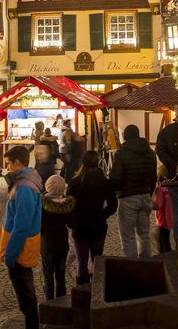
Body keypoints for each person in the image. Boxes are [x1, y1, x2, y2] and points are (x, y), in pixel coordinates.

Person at [0, 145, 42, 329]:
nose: (6, 167)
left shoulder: (24, 188)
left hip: (21, 252)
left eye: (8, 162)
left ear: (16, 163)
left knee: (28, 305)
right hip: (21, 250)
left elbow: (21, 225)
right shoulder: (24, 183)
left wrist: (11, 254)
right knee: (28, 303)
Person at [67, 150, 116, 285]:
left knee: (82, 261)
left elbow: (68, 205)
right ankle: (97, 288)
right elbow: (113, 204)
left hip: (80, 226)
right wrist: (103, 215)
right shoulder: (104, 182)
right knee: (97, 260)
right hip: (98, 225)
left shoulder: (74, 182)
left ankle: (82, 292)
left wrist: (71, 222)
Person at [110, 125, 157, 258]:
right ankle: (146, 263)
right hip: (145, 195)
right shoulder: (150, 153)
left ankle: (132, 266)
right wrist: (149, 192)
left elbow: (116, 178)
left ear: (125, 136)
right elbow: (154, 176)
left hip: (128, 197)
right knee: (144, 234)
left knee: (128, 235)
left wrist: (116, 192)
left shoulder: (121, 153)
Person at [40, 174, 75, 300]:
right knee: (61, 274)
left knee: (48, 274)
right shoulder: (66, 203)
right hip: (61, 241)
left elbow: (38, 225)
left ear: (47, 186)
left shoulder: (41, 203)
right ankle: (62, 302)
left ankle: (48, 303)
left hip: (46, 242)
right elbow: (71, 224)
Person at [155, 120, 178, 240]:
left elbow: (160, 151)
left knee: (177, 211)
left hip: (174, 176)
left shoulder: (165, 132)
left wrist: (173, 166)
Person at [153, 167, 174, 254]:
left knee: (163, 240)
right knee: (164, 239)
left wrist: (148, 203)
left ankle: (165, 256)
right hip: (170, 218)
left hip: (162, 219)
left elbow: (158, 205)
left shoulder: (160, 189)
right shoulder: (171, 188)